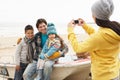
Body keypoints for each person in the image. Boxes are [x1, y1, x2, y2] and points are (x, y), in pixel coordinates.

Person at [67, 0, 120, 80]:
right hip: (115, 73)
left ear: (95, 16)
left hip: (102, 76)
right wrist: (85, 26)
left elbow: (77, 48)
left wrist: (70, 30)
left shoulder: (100, 36)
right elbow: (98, 36)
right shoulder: (115, 29)